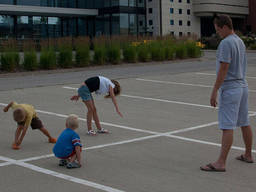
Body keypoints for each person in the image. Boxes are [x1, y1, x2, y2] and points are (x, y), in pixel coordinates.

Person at [200, 14, 253, 172]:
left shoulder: (226, 43)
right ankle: (248, 154)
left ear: (224, 26)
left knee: (227, 126)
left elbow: (224, 69)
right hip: (243, 86)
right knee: (244, 122)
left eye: (218, 30)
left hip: (230, 88)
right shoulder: (239, 41)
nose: (218, 33)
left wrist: (214, 90)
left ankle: (221, 162)